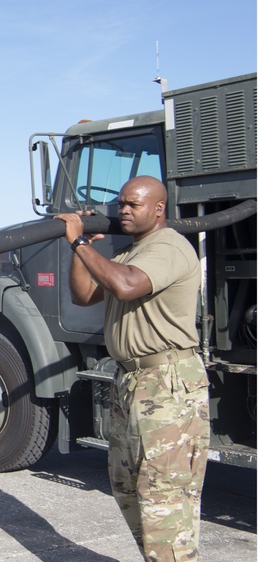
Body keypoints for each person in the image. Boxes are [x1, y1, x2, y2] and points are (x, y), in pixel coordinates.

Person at [56, 176, 209, 562]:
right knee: (128, 488)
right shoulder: (130, 253)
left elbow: (125, 286)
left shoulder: (168, 246)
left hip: (167, 383)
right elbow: (86, 294)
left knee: (165, 501)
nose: (122, 210)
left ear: (158, 208)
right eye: (121, 203)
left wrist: (76, 240)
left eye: (133, 204)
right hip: (132, 381)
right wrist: (83, 251)